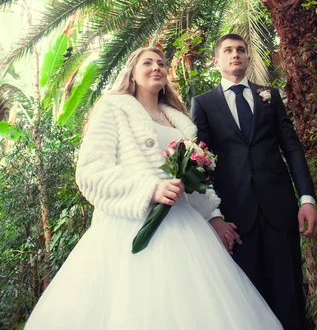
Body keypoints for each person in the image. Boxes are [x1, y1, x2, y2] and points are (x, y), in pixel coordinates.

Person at [25, 46, 283, 330]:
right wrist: (150, 189)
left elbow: (191, 180)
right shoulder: (114, 108)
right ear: (132, 73)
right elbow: (90, 172)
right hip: (129, 228)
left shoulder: (177, 120)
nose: (156, 67)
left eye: (161, 62)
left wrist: (215, 217)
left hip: (187, 229)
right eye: (147, 62)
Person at [191, 34, 317, 330]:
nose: (235, 54)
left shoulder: (270, 96)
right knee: (248, 297)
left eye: (240, 50)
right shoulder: (204, 103)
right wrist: (214, 216)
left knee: (290, 294)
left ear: (249, 59)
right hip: (236, 219)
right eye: (228, 50)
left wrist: (307, 200)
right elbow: (200, 163)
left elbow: (292, 148)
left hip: (280, 211)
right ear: (217, 61)